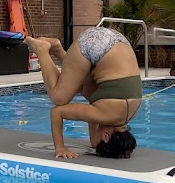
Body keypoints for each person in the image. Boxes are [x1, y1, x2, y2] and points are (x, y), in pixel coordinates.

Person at [24, 26, 142, 160]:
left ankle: (57, 49)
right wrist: (60, 148)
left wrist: (94, 140)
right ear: (106, 137)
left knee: (85, 91)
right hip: (94, 45)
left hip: (119, 41)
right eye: (98, 142)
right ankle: (42, 50)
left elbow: (93, 115)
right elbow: (57, 112)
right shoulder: (105, 115)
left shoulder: (129, 113)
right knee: (59, 98)